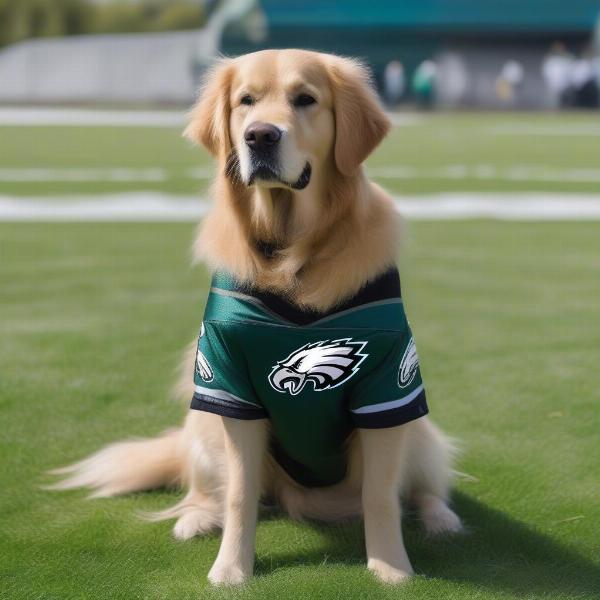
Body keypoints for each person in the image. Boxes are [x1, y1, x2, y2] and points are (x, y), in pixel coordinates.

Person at [542, 42, 574, 108]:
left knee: (567, 102)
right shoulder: (550, 59)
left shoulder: (567, 58)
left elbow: (571, 71)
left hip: (566, 85)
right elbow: (546, 73)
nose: (558, 50)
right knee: (553, 102)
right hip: (552, 84)